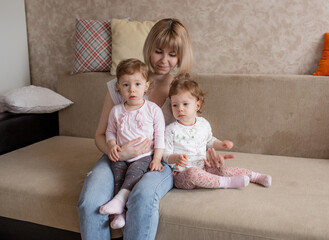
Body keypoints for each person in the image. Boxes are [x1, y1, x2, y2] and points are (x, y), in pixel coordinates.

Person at [78, 18, 234, 240]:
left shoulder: (181, 90)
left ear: (181, 56)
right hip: (116, 157)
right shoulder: (123, 83)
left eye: (172, 54)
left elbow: (195, 133)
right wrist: (119, 152)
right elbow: (100, 135)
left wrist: (209, 158)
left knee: (141, 200)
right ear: (149, 48)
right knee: (89, 203)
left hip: (158, 162)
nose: (164, 60)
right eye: (159, 51)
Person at [164, 76, 272, 189]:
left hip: (203, 167)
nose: (180, 109)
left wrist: (221, 144)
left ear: (197, 105)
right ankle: (227, 183)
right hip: (182, 175)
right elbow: (165, 155)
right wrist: (175, 158)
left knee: (222, 170)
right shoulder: (171, 130)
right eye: (175, 105)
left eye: (185, 104)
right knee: (193, 173)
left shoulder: (203, 124)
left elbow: (209, 140)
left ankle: (255, 176)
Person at [98, 58, 165, 229]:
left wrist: (156, 159)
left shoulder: (152, 109)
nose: (132, 89)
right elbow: (110, 132)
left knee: (133, 174)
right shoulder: (116, 110)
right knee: (118, 177)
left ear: (146, 86)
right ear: (118, 87)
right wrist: (112, 145)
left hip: (144, 157)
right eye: (126, 85)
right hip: (121, 156)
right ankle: (120, 215)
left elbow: (159, 137)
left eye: (137, 84)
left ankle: (121, 204)